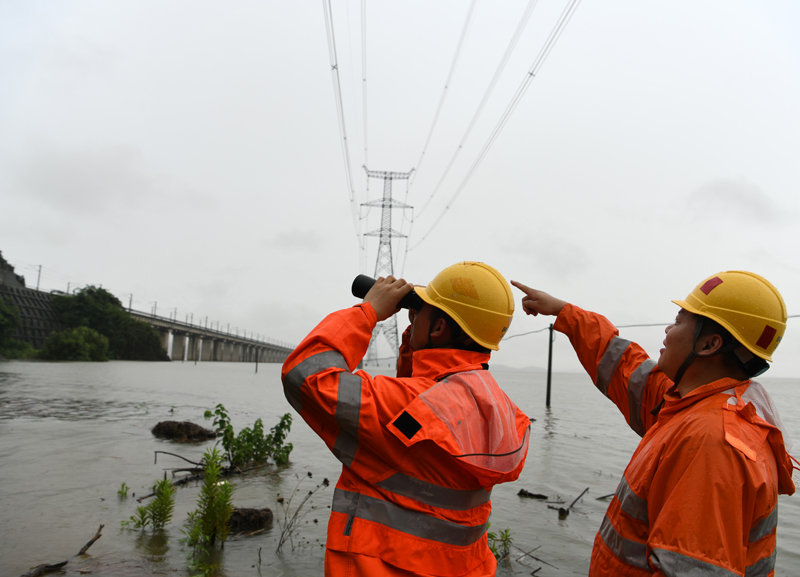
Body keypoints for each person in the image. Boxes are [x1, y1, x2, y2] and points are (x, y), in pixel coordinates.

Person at [511, 271, 796, 576]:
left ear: (710, 344)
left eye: (678, 321)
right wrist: (564, 312)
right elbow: (623, 364)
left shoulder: (710, 443)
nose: (667, 330)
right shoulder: (687, 404)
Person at [282, 261, 531, 576]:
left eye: (422, 310)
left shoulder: (407, 406)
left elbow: (304, 373)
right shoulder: (501, 410)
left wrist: (367, 312)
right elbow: (421, 403)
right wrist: (418, 338)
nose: (414, 316)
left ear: (438, 328)